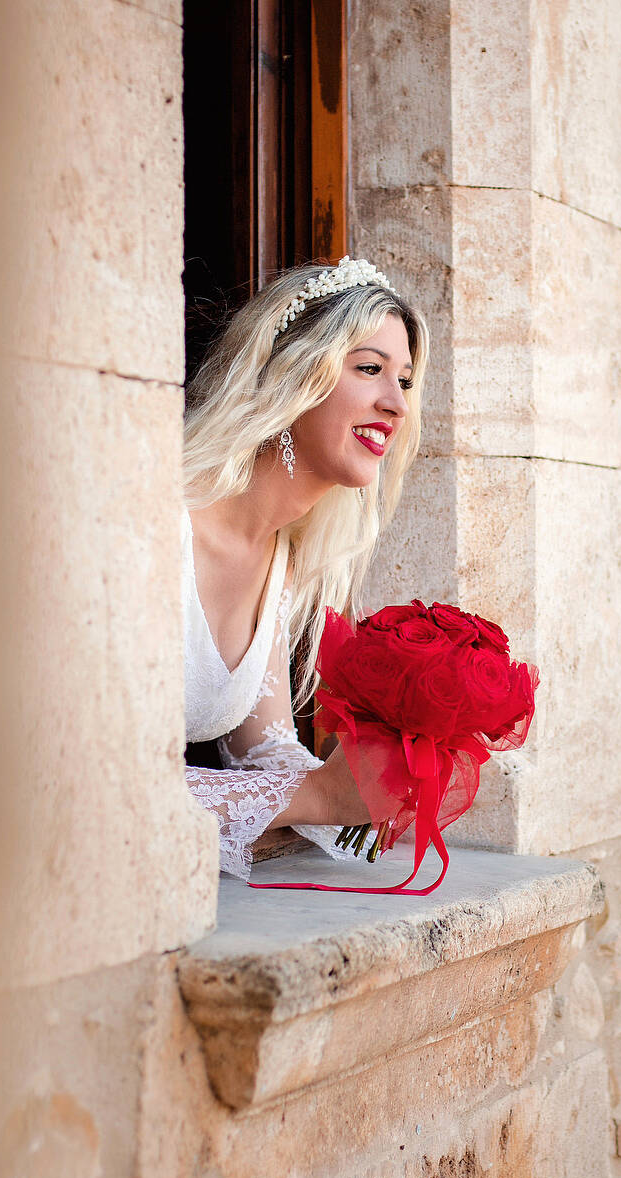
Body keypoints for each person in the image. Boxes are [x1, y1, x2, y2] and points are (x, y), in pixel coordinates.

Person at [179, 257, 427, 878]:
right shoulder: (153, 526)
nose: (395, 403)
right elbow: (94, 780)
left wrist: (375, 779)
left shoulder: (280, 560)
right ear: (291, 379)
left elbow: (262, 751)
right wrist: (320, 799)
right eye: (369, 369)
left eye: (404, 380)